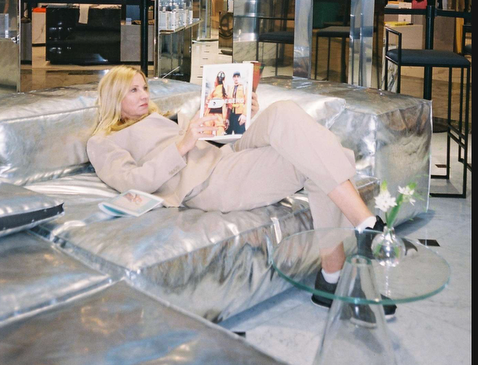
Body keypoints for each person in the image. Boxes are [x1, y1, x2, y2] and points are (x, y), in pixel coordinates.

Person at [87, 66, 396, 319]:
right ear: (114, 96)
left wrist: (241, 114)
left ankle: (347, 254)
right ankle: (339, 267)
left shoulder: (162, 116)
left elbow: (214, 140)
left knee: (285, 112)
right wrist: (182, 145)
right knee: (326, 158)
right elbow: (133, 181)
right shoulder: (103, 141)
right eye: (133, 90)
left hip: (227, 154)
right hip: (210, 182)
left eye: (144, 88)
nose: (144, 95)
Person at [204, 71, 228, 137]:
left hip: (216, 110)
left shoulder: (219, 89)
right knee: (216, 124)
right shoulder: (218, 89)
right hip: (216, 110)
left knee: (212, 124)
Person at [225, 71, 248, 135]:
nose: (236, 78)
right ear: (233, 78)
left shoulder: (244, 87)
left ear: (240, 78)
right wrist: (226, 117)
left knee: (240, 134)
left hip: (239, 115)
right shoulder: (230, 88)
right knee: (227, 133)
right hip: (231, 114)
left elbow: (247, 102)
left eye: (238, 77)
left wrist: (244, 115)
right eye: (234, 77)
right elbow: (227, 103)